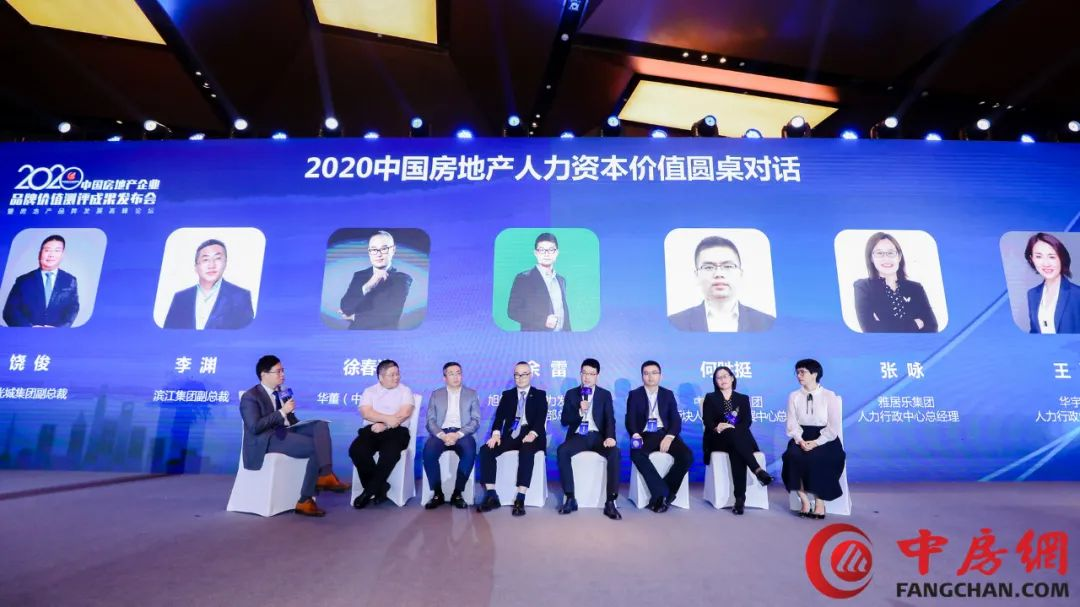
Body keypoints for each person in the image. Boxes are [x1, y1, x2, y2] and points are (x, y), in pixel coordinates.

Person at [238, 355, 350, 517]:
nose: (282, 375)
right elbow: (255, 427)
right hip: (267, 439)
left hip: (287, 430)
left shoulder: (282, 391)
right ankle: (305, 500)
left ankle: (325, 474)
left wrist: (294, 418)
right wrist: (282, 411)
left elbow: (290, 419)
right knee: (314, 447)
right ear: (264, 374)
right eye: (278, 371)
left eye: (283, 370)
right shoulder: (251, 396)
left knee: (320, 425)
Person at [476, 362, 548, 516]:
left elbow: (540, 418)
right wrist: (496, 434)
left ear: (530, 375)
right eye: (517, 375)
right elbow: (499, 418)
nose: (520, 378)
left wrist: (533, 434)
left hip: (532, 434)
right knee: (486, 450)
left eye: (524, 374)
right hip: (512, 434)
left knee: (527, 450)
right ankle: (491, 495)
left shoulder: (540, 395)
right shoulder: (507, 395)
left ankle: (520, 498)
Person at [701, 365, 773, 515]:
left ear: (732, 378)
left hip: (737, 438)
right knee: (734, 438)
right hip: (717, 438)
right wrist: (717, 427)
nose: (722, 380)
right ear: (715, 381)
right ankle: (758, 470)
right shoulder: (711, 397)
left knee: (736, 449)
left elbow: (747, 422)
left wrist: (733, 428)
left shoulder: (743, 398)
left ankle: (739, 499)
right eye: (718, 378)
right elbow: (707, 420)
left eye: (725, 376)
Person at [624, 360, 694, 513]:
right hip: (645, 435)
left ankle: (664, 494)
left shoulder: (667, 394)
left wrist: (669, 437)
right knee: (636, 453)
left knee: (687, 456)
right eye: (646, 373)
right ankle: (663, 493)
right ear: (642, 376)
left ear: (660, 376)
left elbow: (676, 420)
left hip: (665, 433)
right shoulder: (634, 395)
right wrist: (635, 434)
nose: (650, 377)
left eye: (654, 373)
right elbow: (630, 420)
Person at [556, 358, 622, 520]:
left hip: (598, 437)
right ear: (580, 374)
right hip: (579, 436)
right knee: (562, 451)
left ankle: (610, 502)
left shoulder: (604, 395)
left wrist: (610, 437)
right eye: (584, 373)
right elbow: (564, 420)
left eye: (591, 374)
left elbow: (610, 419)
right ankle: (570, 498)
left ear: (597, 375)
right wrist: (579, 411)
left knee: (615, 452)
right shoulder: (571, 394)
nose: (587, 377)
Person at [782, 359, 846, 520]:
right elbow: (792, 423)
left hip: (825, 438)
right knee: (791, 456)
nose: (799, 375)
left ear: (814, 374)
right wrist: (799, 440)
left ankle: (820, 502)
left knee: (819, 458)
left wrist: (817, 442)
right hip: (801, 437)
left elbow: (833, 426)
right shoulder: (794, 396)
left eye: (802, 372)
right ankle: (804, 500)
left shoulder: (829, 396)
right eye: (797, 372)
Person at [668, 235, 774, 332]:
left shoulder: (766, 323)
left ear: (740, 273)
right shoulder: (675, 324)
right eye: (708, 267)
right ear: (696, 275)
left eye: (728, 266)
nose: (719, 274)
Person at [350, 360, 415, 508]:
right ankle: (381, 487)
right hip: (373, 429)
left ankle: (368, 492)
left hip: (397, 431)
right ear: (380, 377)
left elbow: (404, 412)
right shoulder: (369, 391)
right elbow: (366, 413)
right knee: (357, 450)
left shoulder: (405, 391)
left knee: (390, 453)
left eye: (397, 374)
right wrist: (385, 420)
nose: (396, 377)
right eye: (392, 375)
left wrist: (385, 425)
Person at [852, 232, 937, 333]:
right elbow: (870, 329)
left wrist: (884, 324)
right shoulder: (863, 287)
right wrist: (915, 324)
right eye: (879, 253)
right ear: (871, 258)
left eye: (891, 253)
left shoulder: (915, 288)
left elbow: (932, 326)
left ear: (899, 257)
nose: (886, 258)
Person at [422, 362, 480, 510]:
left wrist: (458, 434)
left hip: (463, 433)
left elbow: (475, 421)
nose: (456, 377)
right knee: (429, 452)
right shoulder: (436, 394)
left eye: (458, 373)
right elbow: (430, 421)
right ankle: (437, 494)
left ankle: (457, 493)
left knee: (469, 451)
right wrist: (442, 435)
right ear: (444, 378)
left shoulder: (471, 394)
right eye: (451, 374)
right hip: (441, 433)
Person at [163, 239, 254, 330]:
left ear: (225, 263)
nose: (211, 265)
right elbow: (167, 333)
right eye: (205, 259)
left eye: (218, 258)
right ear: (196, 267)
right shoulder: (180, 298)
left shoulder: (240, 297)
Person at [339, 230, 412, 330]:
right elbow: (345, 307)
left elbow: (389, 318)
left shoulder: (402, 279)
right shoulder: (359, 275)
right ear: (369, 252)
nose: (378, 254)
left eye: (384, 249)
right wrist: (367, 286)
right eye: (374, 249)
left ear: (393, 250)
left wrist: (354, 317)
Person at [3, 234, 80, 328]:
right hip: (27, 334)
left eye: (57, 250)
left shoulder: (70, 280)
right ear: (40, 254)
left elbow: (72, 309)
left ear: (62, 255)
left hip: (57, 334)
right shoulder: (23, 281)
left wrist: (59, 329)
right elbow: (9, 311)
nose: (51, 255)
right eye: (47, 250)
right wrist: (29, 328)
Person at [507, 232, 571, 331]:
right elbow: (513, 311)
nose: (546, 254)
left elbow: (564, 314)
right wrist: (543, 320)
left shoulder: (561, 280)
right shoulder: (524, 279)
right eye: (542, 250)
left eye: (551, 250)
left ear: (557, 253)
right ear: (535, 253)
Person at [1024, 232, 1080, 334]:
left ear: (1061, 258)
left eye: (1052, 257)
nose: (1046, 263)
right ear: (1032, 259)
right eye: (1039, 256)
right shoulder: (1032, 294)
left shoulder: (1077, 294)